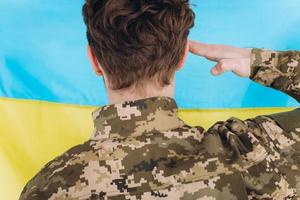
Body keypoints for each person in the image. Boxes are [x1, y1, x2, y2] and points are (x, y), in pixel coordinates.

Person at [20, 0, 299, 199]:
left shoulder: (49, 187)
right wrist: (262, 62)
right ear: (181, 57)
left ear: (93, 59)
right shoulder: (249, 154)